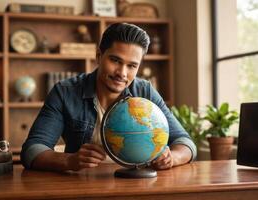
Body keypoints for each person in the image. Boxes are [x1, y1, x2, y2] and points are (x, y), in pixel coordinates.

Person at [21, 23, 197, 172]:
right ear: (99, 56)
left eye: (132, 66)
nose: (122, 73)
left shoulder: (146, 91)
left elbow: (185, 143)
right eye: (115, 60)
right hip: (84, 187)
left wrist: (172, 157)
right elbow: (32, 150)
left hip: (138, 186)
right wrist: (69, 161)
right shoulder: (65, 92)